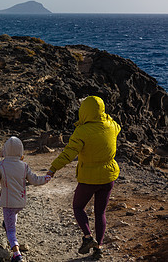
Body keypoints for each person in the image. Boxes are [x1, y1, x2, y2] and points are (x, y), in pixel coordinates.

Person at [46, 96, 121, 260]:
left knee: (78, 207)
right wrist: (103, 116)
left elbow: (68, 154)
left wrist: (53, 168)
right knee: (100, 212)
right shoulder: (112, 126)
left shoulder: (82, 132)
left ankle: (88, 238)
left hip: (89, 178)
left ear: (84, 111)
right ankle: (99, 248)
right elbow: (116, 124)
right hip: (109, 177)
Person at [0, 136, 51, 262]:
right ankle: (8, 225)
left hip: (8, 203)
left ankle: (17, 255)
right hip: (20, 203)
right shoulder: (24, 166)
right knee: (12, 217)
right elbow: (34, 180)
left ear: (6, 150)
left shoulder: (1, 165)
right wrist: (47, 177)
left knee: (11, 230)